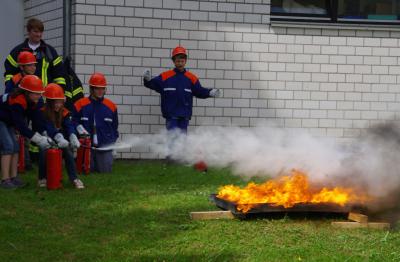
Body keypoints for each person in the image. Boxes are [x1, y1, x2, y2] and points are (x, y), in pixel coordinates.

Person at [142, 46, 221, 167]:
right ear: (173, 61)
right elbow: (152, 84)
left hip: (184, 115)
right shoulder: (165, 76)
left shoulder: (191, 78)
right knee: (172, 136)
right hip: (171, 114)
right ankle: (170, 161)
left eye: (182, 60)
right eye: (177, 60)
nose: (180, 62)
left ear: (185, 61)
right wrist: (147, 80)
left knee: (182, 138)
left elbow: (199, 91)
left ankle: (180, 160)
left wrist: (210, 92)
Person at [0, 75, 51, 189]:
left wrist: (44, 134)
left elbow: (37, 119)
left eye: (40, 93)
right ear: (27, 92)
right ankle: (5, 180)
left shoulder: (33, 101)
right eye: (37, 93)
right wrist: (38, 139)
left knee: (16, 147)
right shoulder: (18, 101)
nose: (39, 96)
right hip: (1, 120)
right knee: (8, 146)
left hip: (8, 121)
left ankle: (13, 178)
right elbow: (20, 126)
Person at [38, 83, 84, 189]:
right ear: (49, 101)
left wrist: (73, 136)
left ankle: (74, 178)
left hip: (62, 140)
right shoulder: (43, 112)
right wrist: (58, 137)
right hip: (46, 139)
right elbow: (49, 128)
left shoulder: (64, 112)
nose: (58, 105)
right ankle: (42, 178)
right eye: (55, 102)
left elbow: (69, 125)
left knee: (67, 151)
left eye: (60, 102)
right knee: (43, 151)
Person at [72, 72, 119, 173]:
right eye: (97, 88)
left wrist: (112, 144)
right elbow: (73, 122)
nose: (100, 91)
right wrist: (79, 128)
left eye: (102, 88)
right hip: (86, 146)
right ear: (91, 89)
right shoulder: (80, 104)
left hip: (104, 146)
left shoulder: (111, 107)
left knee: (105, 171)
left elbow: (114, 128)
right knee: (85, 170)